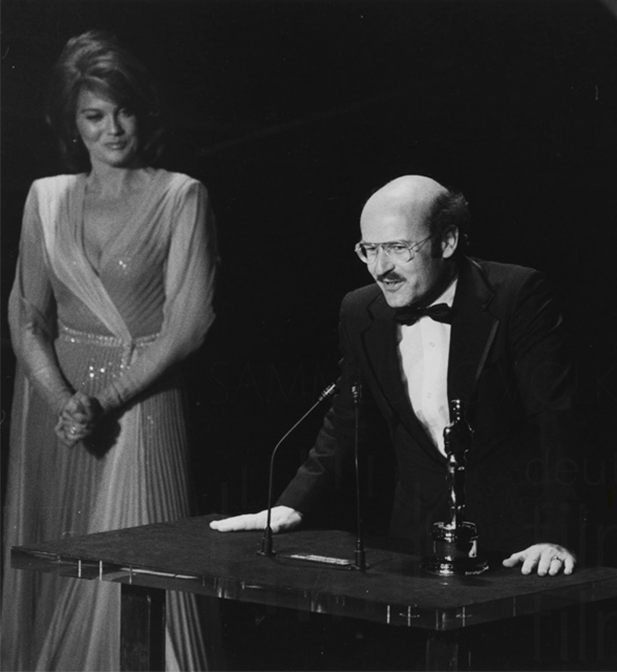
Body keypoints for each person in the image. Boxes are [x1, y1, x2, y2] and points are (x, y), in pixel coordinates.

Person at [212, 174, 579, 575]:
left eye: (397, 248)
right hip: (416, 537)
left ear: (447, 241)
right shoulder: (360, 311)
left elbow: (555, 422)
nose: (380, 268)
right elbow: (347, 421)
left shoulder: (517, 294)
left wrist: (553, 533)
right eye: (369, 249)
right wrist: (291, 504)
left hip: (522, 544)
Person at [1, 31, 217, 670]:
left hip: (141, 408)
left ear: (142, 112)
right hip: (59, 415)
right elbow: (26, 314)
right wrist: (64, 401)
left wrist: (105, 399)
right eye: (94, 116)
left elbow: (189, 323)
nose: (113, 128)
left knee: (142, 569)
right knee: (59, 567)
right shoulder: (46, 198)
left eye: (122, 111)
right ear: (72, 124)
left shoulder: (182, 195)